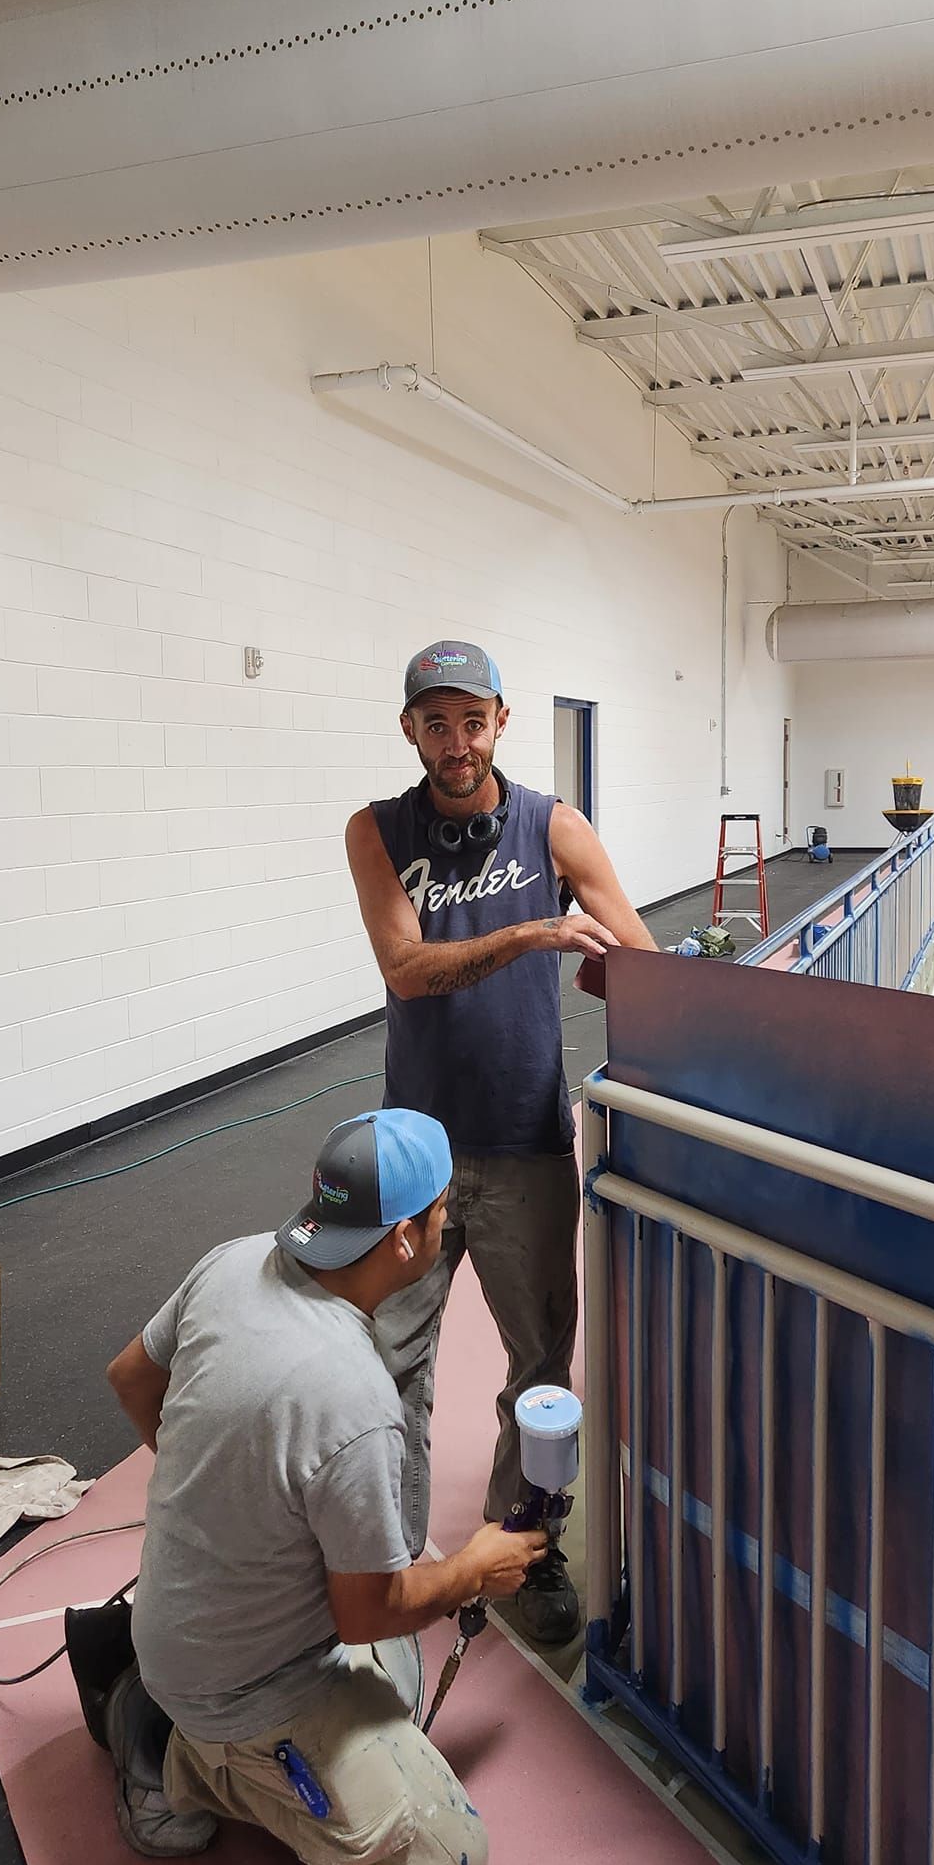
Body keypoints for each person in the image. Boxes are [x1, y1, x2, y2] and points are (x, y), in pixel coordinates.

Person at [92, 1109, 546, 1865]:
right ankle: (178, 1756)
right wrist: (475, 1569)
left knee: (396, 1674)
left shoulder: (232, 1263)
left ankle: (168, 1696)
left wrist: (222, 1490)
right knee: (450, 1863)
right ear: (405, 1239)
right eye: (444, 1211)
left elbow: (130, 1377)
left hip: (191, 1626)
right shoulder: (355, 1396)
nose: (451, 1224)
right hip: (243, 1690)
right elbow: (363, 1611)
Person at [344, 641, 657, 1644]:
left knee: (540, 1368)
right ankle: (380, 1556)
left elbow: (643, 957)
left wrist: (637, 976)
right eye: (435, 722)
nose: (456, 741)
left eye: (471, 720)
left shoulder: (555, 826)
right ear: (410, 732)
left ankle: (524, 1544)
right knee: (386, 1362)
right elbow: (405, 968)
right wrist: (530, 933)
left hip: (525, 1141)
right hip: (413, 1156)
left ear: (501, 722)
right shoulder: (377, 831)